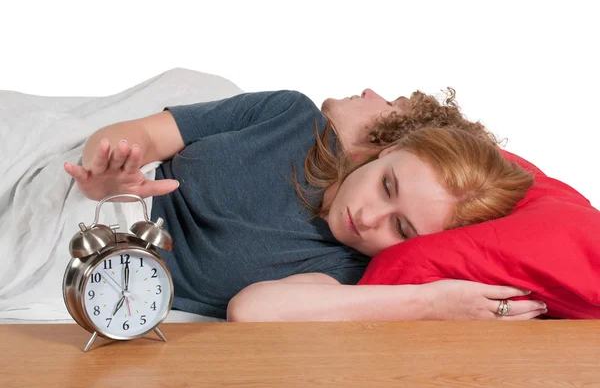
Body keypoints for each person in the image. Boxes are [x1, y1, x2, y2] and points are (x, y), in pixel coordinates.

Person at [63, 88, 547, 322]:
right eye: (386, 185)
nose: (369, 218)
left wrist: (432, 301)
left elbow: (252, 312)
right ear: (385, 151)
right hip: (85, 201)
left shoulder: (347, 268)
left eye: (402, 228)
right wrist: (107, 169)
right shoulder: (290, 115)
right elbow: (142, 133)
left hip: (100, 286)